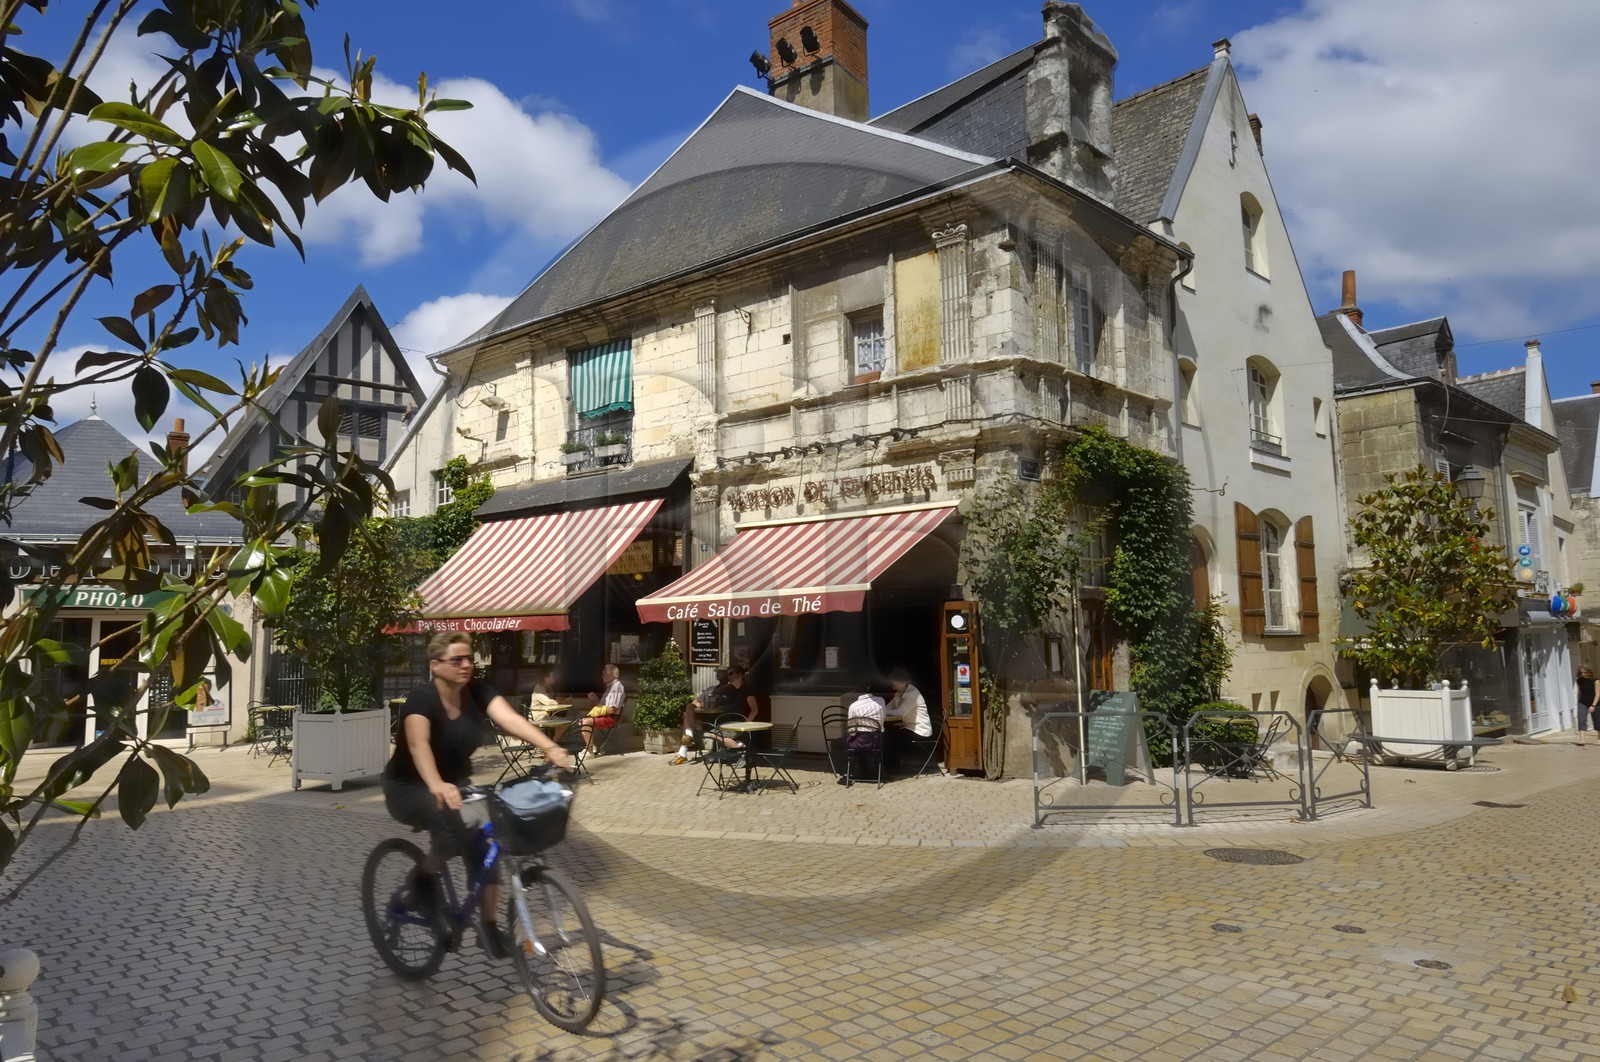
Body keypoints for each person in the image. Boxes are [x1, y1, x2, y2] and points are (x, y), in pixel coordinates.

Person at [382, 631, 575, 958]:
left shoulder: (477, 691)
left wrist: (549, 745)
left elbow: (510, 719)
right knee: (452, 832)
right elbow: (418, 744)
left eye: (469, 658)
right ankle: (422, 884)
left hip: (456, 785)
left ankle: (487, 928)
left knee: (487, 839)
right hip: (410, 787)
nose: (466, 664)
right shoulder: (421, 699)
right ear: (436, 666)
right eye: (457, 659)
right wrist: (436, 784)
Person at [671, 665, 757, 765]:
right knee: (690, 707)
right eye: (717, 672)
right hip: (713, 719)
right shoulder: (713, 689)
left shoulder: (737, 689)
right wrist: (702, 703)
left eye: (729, 673)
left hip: (726, 720)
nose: (720, 674)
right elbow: (697, 703)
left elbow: (754, 710)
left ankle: (685, 746)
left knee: (703, 728)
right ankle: (687, 738)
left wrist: (746, 724)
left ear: (740, 674)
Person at [831, 686, 886, 786]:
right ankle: (865, 770)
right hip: (877, 741)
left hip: (861, 742)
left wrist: (856, 733)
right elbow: (882, 722)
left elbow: (852, 731)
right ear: (869, 688)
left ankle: (845, 774)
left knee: (835, 744)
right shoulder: (880, 701)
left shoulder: (854, 706)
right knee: (860, 738)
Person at [884, 668, 931, 772]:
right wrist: (883, 711)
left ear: (902, 682)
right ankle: (890, 766)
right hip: (909, 726)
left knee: (890, 737)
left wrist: (883, 712)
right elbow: (887, 708)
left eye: (894, 684)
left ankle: (892, 767)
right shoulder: (899, 694)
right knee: (887, 733)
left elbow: (901, 713)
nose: (893, 687)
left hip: (919, 730)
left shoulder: (913, 694)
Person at [578, 663, 625, 758]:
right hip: (605, 716)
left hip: (611, 718)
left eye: (603, 674)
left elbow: (612, 709)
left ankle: (590, 750)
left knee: (586, 722)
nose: (602, 676)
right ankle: (592, 747)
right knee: (581, 722)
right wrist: (595, 700)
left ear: (610, 674)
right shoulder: (610, 687)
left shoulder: (617, 687)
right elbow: (604, 706)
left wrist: (598, 710)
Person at [1579, 666, 1599, 747]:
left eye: (1584, 672)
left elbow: (1598, 694)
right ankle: (1582, 740)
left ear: (1589, 672)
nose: (1583, 674)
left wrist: (1593, 705)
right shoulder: (1579, 680)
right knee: (1581, 720)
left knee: (1597, 721)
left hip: (1595, 703)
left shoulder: (1596, 681)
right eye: (1581, 672)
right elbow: (1578, 692)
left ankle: (1599, 739)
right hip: (1582, 702)